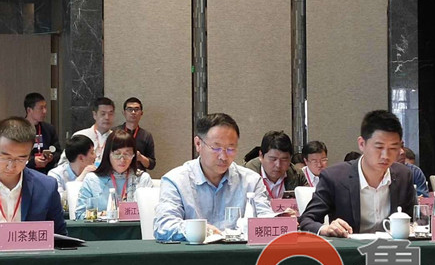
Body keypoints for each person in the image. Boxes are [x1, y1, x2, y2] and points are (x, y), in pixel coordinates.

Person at [154, 113, 273, 241]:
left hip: (238, 252)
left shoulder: (251, 181)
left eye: (230, 149)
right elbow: (163, 226)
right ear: (198, 144)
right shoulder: (176, 181)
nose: (223, 156)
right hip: (193, 253)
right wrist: (200, 230)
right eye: (216, 148)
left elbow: (267, 222)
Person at [299, 110, 416, 237]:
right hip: (350, 247)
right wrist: (325, 229)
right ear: (362, 144)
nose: (385, 155)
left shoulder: (403, 175)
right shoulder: (335, 177)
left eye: (393, 148)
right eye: (379, 147)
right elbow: (307, 220)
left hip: (393, 248)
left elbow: (415, 220)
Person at [75, 129, 153, 220]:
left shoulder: (142, 179)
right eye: (117, 154)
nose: (122, 159)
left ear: (134, 155)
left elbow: (151, 213)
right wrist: (104, 216)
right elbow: (80, 215)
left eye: (127, 154)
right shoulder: (92, 180)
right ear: (108, 154)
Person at [244, 131, 308, 198]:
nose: (278, 165)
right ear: (261, 156)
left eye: (284, 159)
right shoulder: (245, 176)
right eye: (273, 159)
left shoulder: (298, 176)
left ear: (290, 158)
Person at [62, 97, 116, 166]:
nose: (107, 117)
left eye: (110, 114)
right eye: (103, 114)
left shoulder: (116, 138)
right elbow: (64, 162)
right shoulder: (81, 135)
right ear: (94, 115)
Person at [24, 92, 61, 174]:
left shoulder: (49, 129)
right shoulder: (19, 129)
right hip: (26, 172)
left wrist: (51, 158)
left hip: (46, 172)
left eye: (45, 107)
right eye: (41, 108)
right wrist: (33, 161)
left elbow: (58, 152)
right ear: (29, 110)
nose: (44, 111)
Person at [115, 97, 156, 171]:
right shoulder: (114, 132)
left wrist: (140, 158)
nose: (133, 112)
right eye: (130, 109)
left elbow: (152, 165)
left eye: (136, 109)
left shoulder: (146, 135)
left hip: (138, 174)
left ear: (141, 113)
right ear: (124, 113)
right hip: (118, 173)